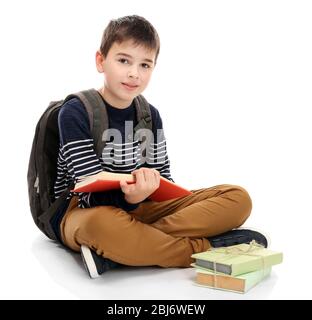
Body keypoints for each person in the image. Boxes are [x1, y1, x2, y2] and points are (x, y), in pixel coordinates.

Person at [53, 15, 268, 278]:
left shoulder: (149, 115)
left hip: (141, 209)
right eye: (124, 61)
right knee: (102, 225)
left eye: (145, 65)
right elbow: (86, 189)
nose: (134, 73)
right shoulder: (75, 111)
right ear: (101, 61)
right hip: (83, 212)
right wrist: (131, 199)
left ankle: (124, 250)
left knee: (238, 198)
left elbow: (164, 180)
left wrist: (150, 195)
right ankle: (206, 248)